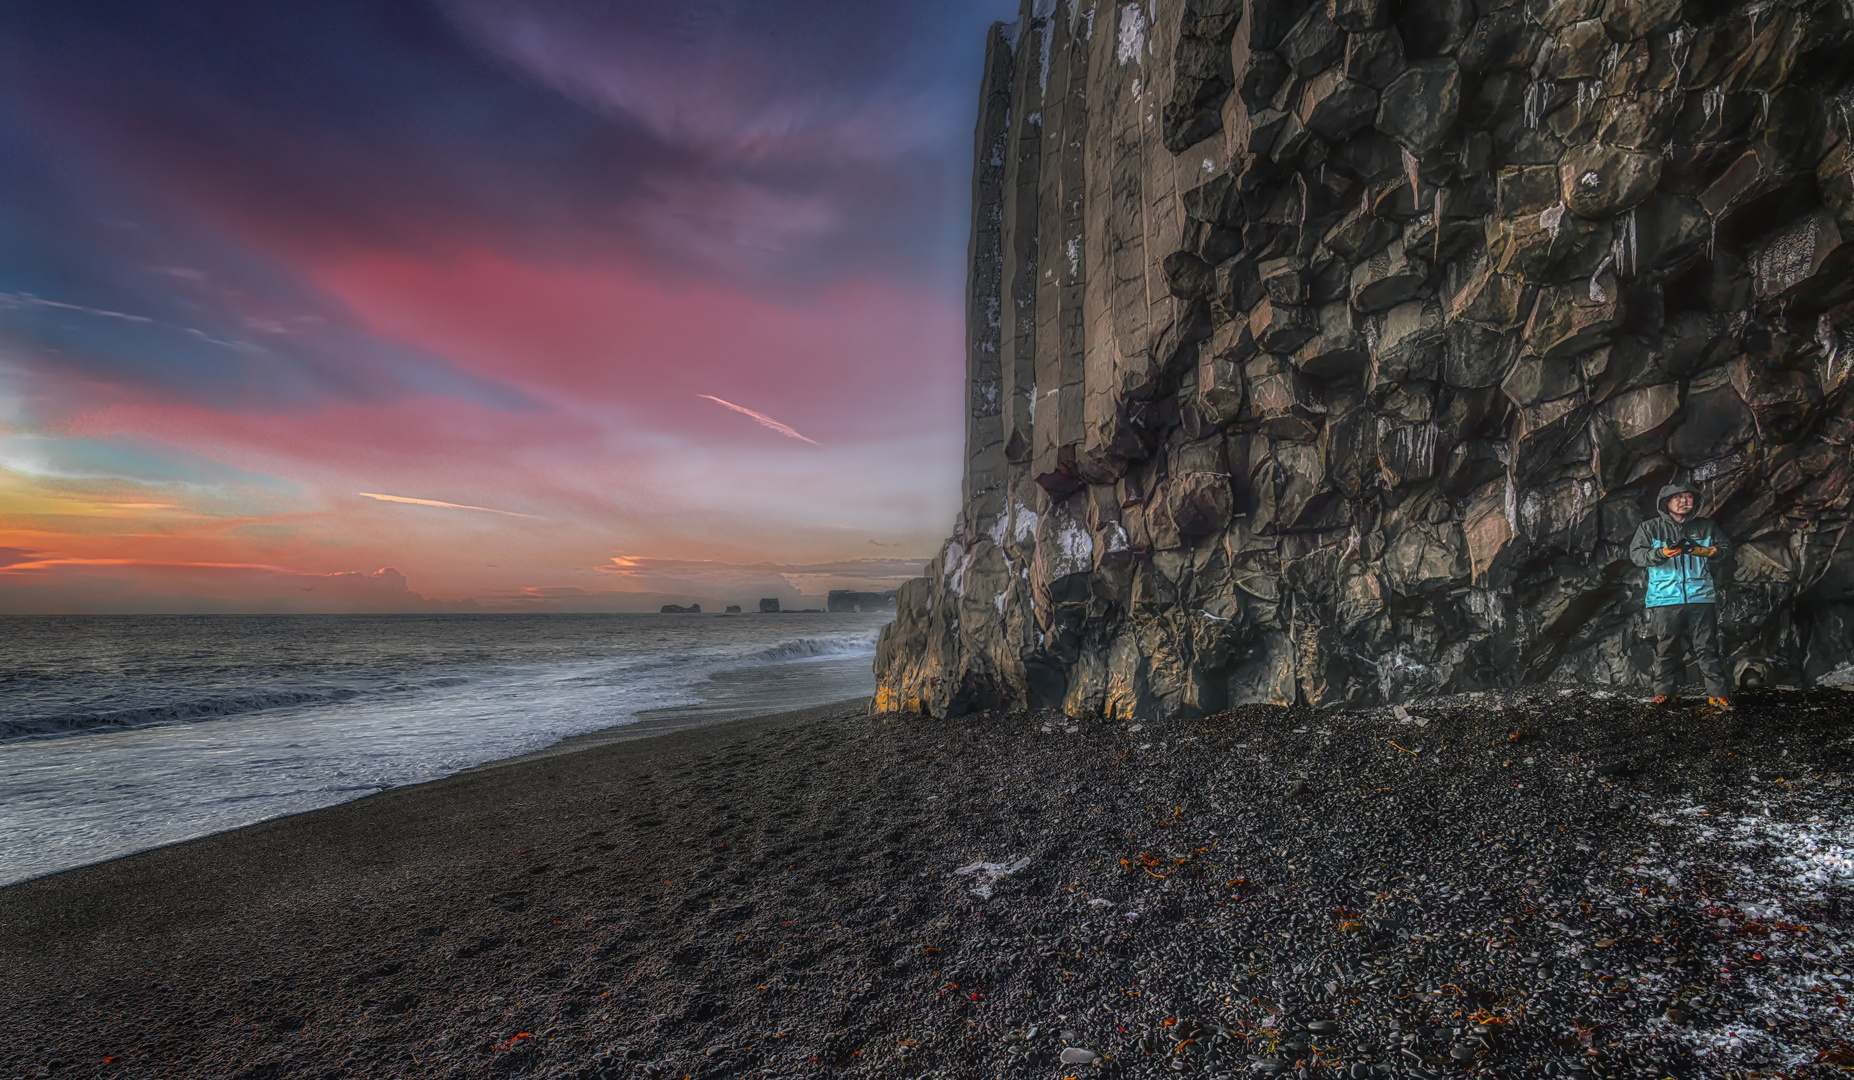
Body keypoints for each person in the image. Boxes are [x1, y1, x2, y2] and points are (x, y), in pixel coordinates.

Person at [1628, 482, 1734, 708]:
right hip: (1665, 598)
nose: (1685, 501)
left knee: (1708, 647)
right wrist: (1661, 553)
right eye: (1678, 497)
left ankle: (1717, 693)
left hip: (1701, 597)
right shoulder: (1650, 528)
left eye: (1688, 497)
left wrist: (1717, 552)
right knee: (1666, 648)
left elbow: (1726, 548)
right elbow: (1636, 555)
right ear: (1666, 503)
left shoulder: (1707, 526)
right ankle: (1665, 693)